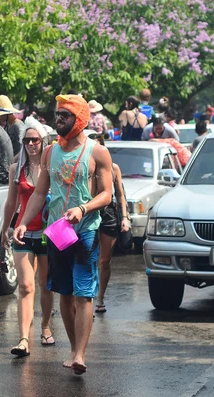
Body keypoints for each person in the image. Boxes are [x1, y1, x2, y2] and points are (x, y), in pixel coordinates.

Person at [14, 94, 113, 375]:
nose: (58, 120)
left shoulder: (97, 152)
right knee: (65, 294)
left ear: (79, 119)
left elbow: (107, 193)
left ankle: (80, 354)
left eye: (65, 116)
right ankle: (73, 348)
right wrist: (23, 221)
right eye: (57, 114)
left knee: (83, 294)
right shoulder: (50, 152)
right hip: (57, 233)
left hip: (86, 232)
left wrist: (83, 208)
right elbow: (40, 192)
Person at [2, 116, 55, 357]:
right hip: (23, 233)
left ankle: (44, 326)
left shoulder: (52, 168)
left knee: (45, 284)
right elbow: (11, 202)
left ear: (43, 141)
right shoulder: (17, 169)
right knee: (25, 286)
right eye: (26, 140)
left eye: (35, 139)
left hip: (47, 234)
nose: (30, 144)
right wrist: (5, 228)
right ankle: (23, 338)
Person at [87, 132, 130, 313]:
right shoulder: (85, 167)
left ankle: (100, 297)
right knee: (88, 258)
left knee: (104, 261)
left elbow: (120, 194)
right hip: (88, 212)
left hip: (108, 214)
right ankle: (86, 296)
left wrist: (125, 217)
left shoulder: (113, 168)